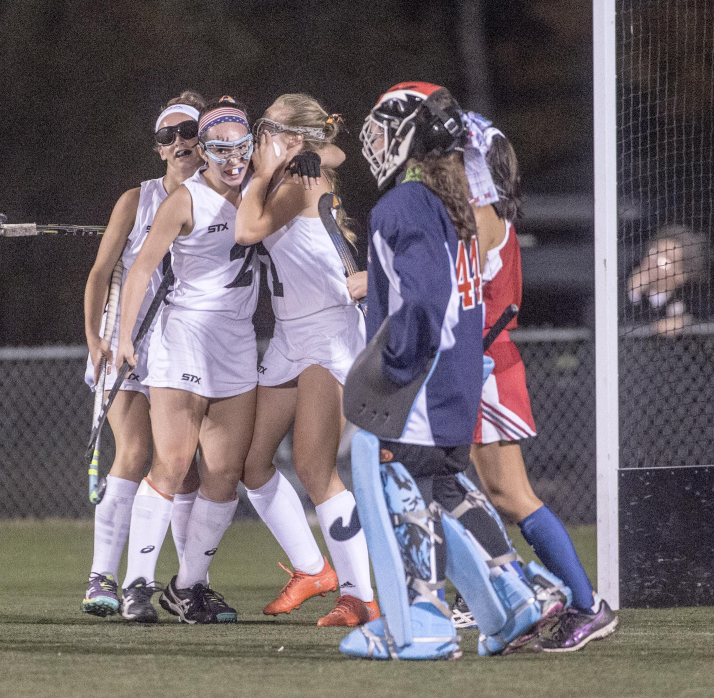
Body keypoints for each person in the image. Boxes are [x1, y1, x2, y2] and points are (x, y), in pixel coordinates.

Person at [339, 82, 567, 660]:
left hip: (419, 384)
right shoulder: (454, 202)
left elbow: (425, 298)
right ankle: (519, 594)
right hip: (457, 384)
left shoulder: (403, 206)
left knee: (400, 491)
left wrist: (393, 363)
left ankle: (424, 619)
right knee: (446, 487)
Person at [459, 112, 618, 651]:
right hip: (475, 365)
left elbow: (451, 293)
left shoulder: (480, 216)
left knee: (507, 493)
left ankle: (576, 601)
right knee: (472, 489)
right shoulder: (481, 212)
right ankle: (516, 591)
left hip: (483, 367)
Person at [234, 94, 378, 627]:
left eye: (266, 127)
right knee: (252, 463)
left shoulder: (294, 184)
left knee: (316, 468)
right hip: (289, 335)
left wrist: (274, 166)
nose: (255, 136)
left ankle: (361, 595)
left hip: (327, 329)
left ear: (290, 138)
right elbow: (333, 153)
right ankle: (313, 568)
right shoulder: (295, 169)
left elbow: (247, 231)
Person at [115, 97, 259, 624]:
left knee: (224, 474)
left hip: (238, 342)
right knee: (173, 464)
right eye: (217, 149)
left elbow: (325, 157)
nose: (228, 158)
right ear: (204, 153)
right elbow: (141, 268)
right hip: (184, 338)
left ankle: (188, 587)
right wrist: (127, 335)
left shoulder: (263, 191)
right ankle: (135, 584)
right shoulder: (185, 201)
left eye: (236, 147)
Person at [80, 91, 207, 619]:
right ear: (158, 149)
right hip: (132, 339)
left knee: (189, 471)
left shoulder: (225, 195)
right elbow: (99, 274)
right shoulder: (137, 200)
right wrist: (96, 338)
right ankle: (102, 578)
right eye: (166, 137)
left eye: (187, 133)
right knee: (135, 452)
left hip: (188, 343)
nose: (178, 142)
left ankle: (188, 585)